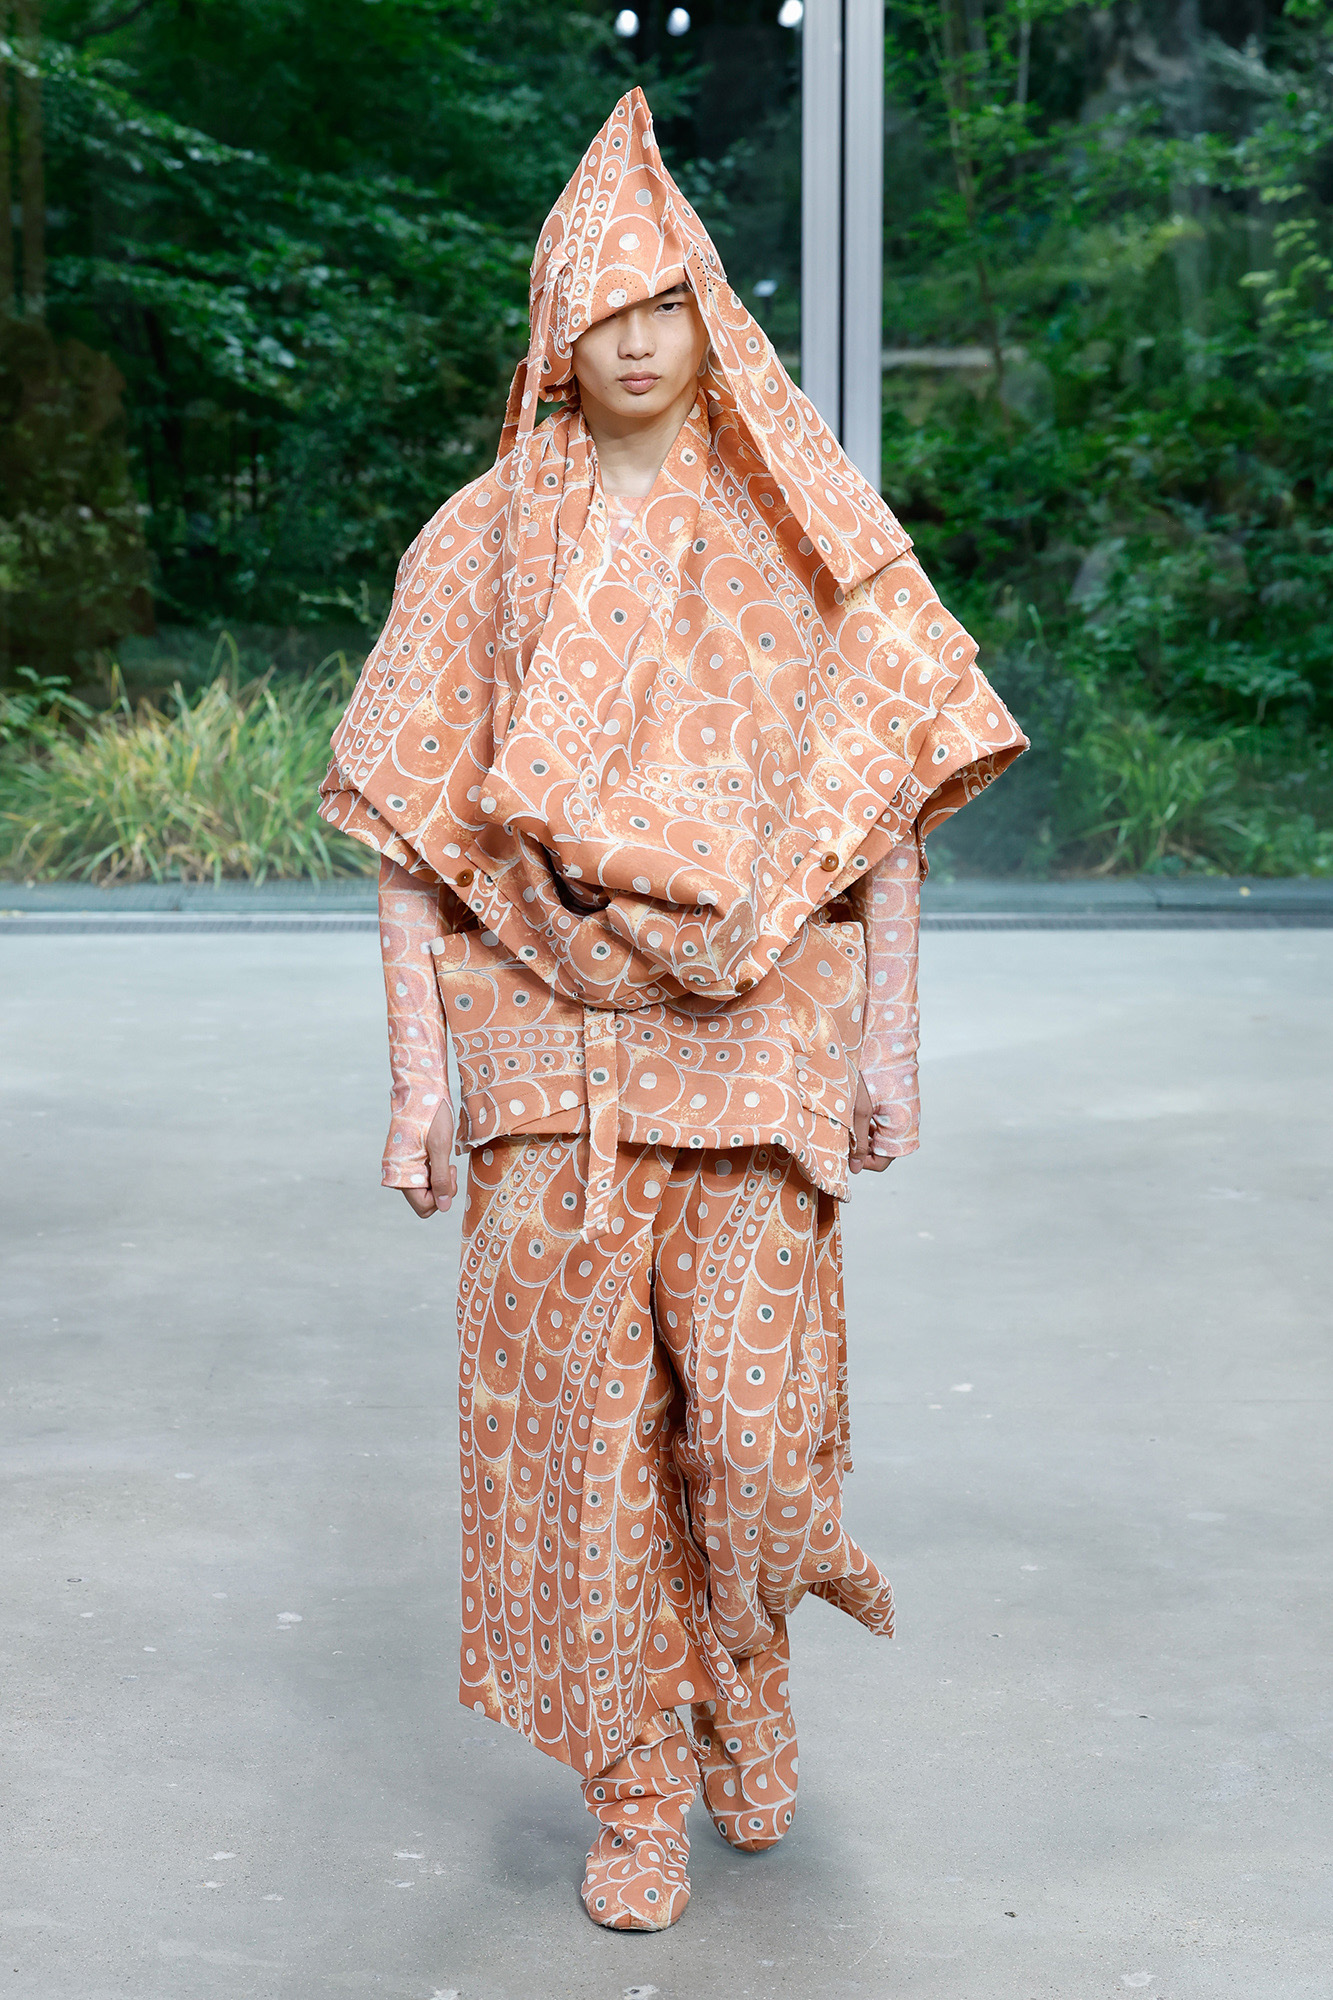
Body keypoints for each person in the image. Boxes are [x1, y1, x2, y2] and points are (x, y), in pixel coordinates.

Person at [320, 87, 1025, 1932]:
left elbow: (884, 811)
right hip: (545, 1057)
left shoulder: (802, 529)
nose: (633, 341)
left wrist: (886, 1053)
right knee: (577, 1454)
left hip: (757, 1039)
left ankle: (750, 1661)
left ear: (711, 316)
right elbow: (406, 829)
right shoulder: (478, 543)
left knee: (758, 1443)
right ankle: (633, 1787)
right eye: (598, 311)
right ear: (552, 338)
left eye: (664, 304)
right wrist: (414, 1088)